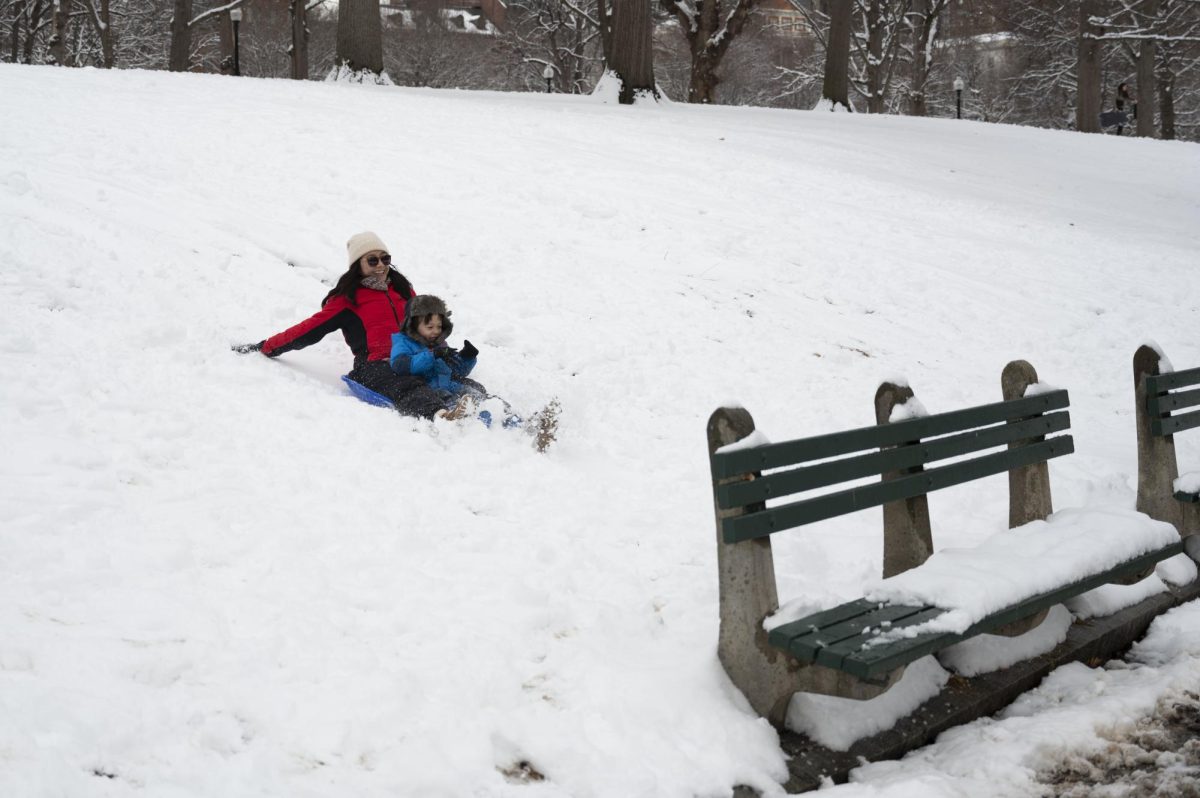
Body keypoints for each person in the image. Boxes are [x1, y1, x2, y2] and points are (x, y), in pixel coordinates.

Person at [232, 231, 442, 417]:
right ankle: (440, 413)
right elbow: (308, 329)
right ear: (358, 265)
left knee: (448, 373)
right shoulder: (347, 299)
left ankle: (471, 400)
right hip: (375, 364)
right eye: (372, 260)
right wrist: (268, 346)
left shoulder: (402, 289)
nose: (380, 265)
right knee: (405, 385)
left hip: (411, 355)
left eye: (385, 259)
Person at [390, 295, 559, 448]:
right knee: (452, 400)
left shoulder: (439, 343)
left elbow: (454, 370)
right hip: (429, 388)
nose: (435, 331)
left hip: (449, 383)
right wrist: (431, 355)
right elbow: (401, 365)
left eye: (439, 326)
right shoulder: (402, 343)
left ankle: (521, 423)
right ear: (412, 325)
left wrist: (467, 357)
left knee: (478, 393)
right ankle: (464, 423)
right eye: (430, 326)